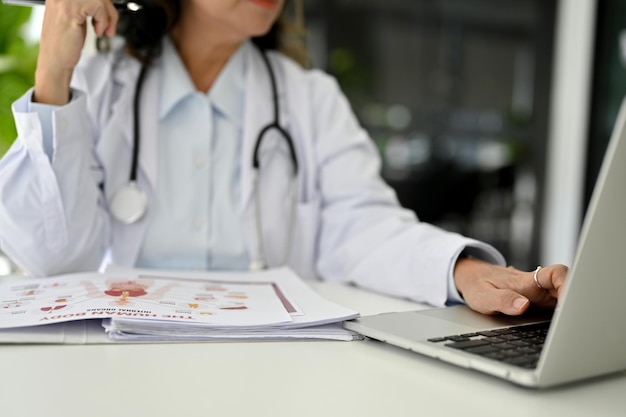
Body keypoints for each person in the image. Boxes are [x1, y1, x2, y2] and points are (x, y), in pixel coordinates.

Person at [0, 0, 567, 316]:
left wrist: (460, 269)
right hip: (122, 365)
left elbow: (361, 227)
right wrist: (53, 75)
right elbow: (53, 260)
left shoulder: (308, 99)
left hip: (274, 368)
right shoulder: (101, 86)